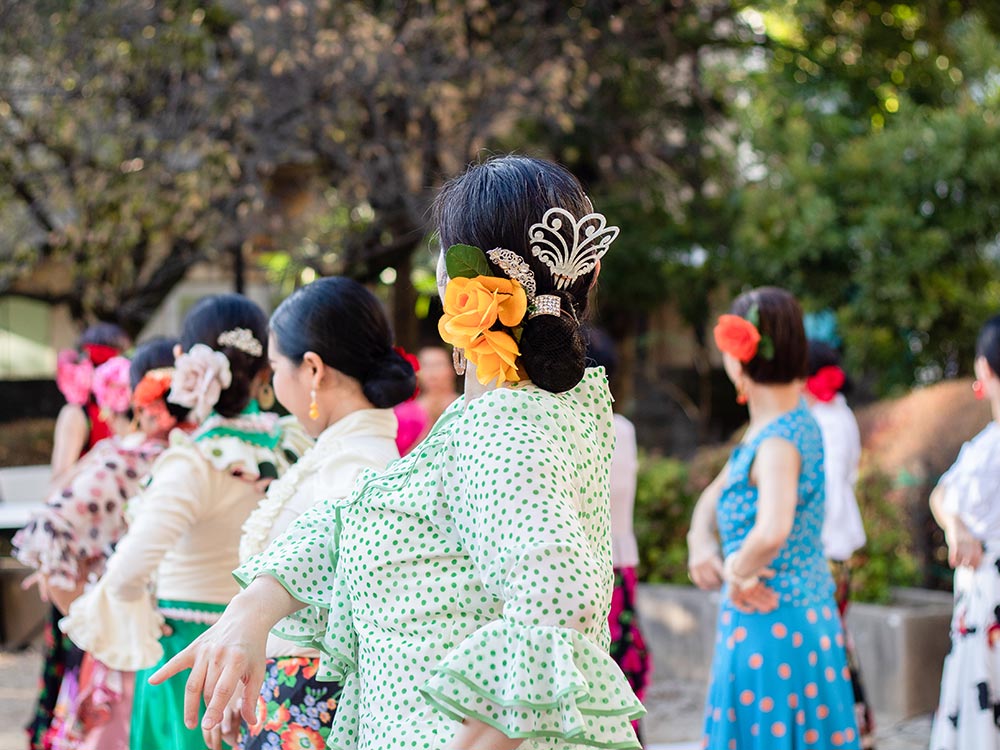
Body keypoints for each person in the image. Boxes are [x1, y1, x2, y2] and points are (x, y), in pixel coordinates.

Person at [152, 155, 645, 749]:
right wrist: (252, 609)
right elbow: (365, 516)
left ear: (455, 283)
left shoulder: (506, 424)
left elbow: (559, 597)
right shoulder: (508, 414)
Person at [61, 294, 309, 750]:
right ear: (263, 371)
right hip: (265, 646)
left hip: (188, 653)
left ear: (186, 365)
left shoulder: (193, 461)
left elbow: (126, 574)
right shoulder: (291, 445)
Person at [227, 276, 414, 750]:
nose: (273, 385)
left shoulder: (356, 467)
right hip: (293, 692)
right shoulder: (341, 454)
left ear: (312, 369)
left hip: (313, 699)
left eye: (274, 369)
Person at [688, 287, 860, 749]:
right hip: (793, 619)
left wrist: (738, 572)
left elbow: (773, 528)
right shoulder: (784, 421)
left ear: (740, 357)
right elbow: (713, 494)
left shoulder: (778, 439)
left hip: (772, 623)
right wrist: (698, 542)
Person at [15, 338, 188, 750]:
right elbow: (50, 532)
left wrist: (92, 617)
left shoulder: (132, 458)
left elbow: (49, 537)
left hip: (147, 639)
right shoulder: (214, 457)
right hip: (154, 643)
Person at [28, 323, 130, 750]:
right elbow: (57, 485)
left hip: (119, 546)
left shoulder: (127, 414)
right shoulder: (77, 414)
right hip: (82, 549)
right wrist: (103, 464)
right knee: (76, 651)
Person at [929, 314, 1000, 749]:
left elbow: (942, 493)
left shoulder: (988, 447)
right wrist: (958, 528)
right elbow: (942, 495)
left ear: (983, 369)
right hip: (981, 595)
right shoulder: (985, 444)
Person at [804, 340, 875, 747]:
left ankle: (845, 727)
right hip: (836, 545)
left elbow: (828, 491)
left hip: (826, 545)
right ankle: (855, 726)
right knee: (835, 637)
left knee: (829, 641)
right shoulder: (837, 414)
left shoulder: (828, 420)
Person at [582, 326, 652, 740]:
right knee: (618, 672)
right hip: (621, 564)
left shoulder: (579, 427)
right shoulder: (622, 426)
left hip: (596, 568)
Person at [393, 345, 460, 454]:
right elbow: (398, 460)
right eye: (426, 365)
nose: (432, 373)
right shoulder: (403, 414)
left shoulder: (465, 406)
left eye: (438, 365)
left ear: (452, 369)